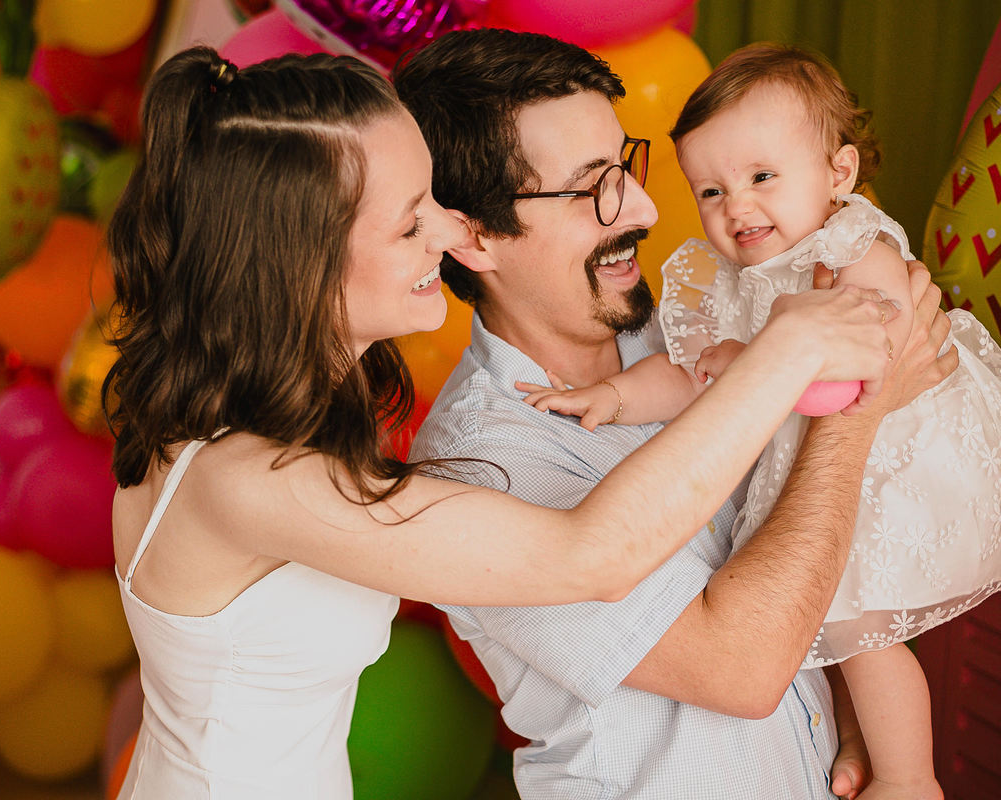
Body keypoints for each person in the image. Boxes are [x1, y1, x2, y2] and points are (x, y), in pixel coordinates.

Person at [106, 44, 911, 800]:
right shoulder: (244, 476)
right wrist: (808, 363)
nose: (454, 233)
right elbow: (594, 556)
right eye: (413, 218)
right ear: (302, 254)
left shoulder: (298, 434)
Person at [393, 28, 958, 799]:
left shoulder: (693, 333)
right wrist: (855, 409)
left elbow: (807, 553)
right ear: (478, 236)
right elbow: (742, 666)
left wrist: (852, 702)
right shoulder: (476, 468)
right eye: (594, 187)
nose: (647, 208)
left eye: (628, 166)